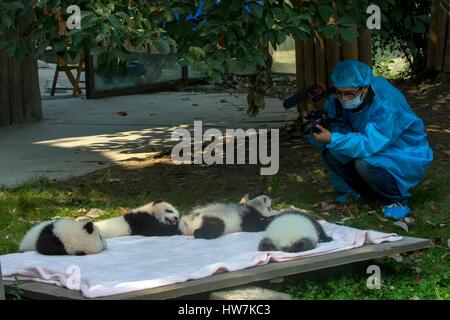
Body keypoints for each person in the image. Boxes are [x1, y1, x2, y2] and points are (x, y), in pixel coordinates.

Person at [308, 60, 433, 220]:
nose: (344, 98)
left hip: (403, 151)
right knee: (330, 153)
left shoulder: (387, 103)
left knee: (364, 164)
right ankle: (365, 193)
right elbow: (340, 126)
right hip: (371, 145)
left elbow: (370, 142)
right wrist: (319, 125)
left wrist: (332, 137)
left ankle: (396, 200)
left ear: (365, 87)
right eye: (339, 92)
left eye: (349, 93)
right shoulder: (344, 96)